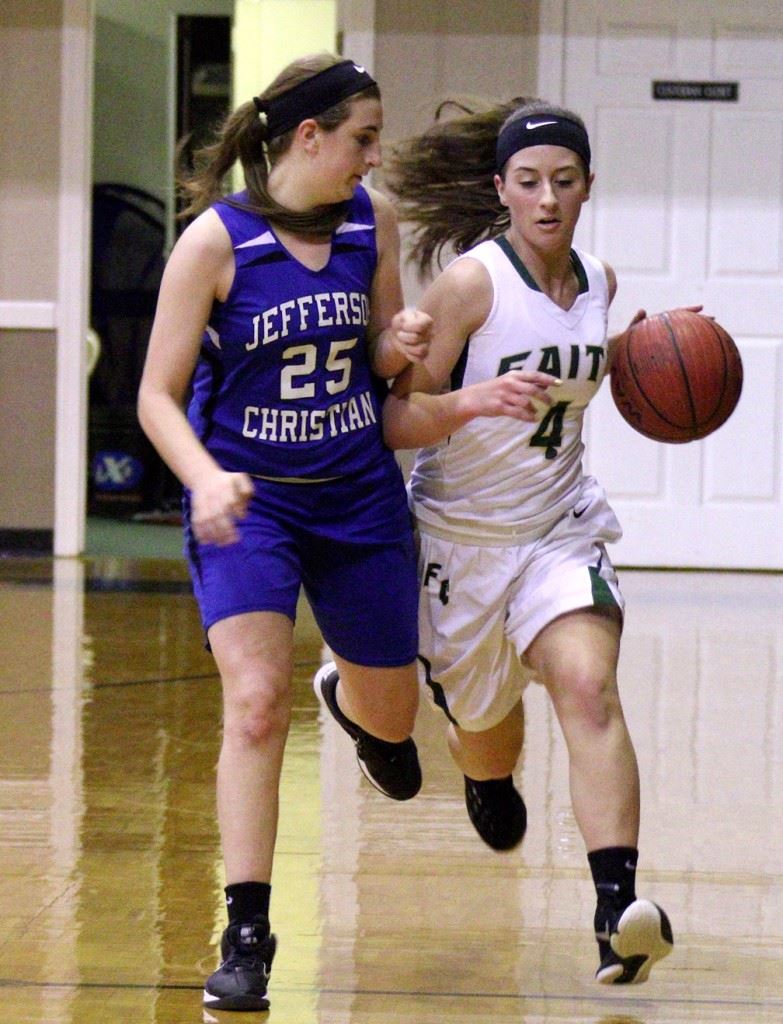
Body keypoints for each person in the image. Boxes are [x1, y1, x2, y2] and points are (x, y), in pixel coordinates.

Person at [137, 53, 431, 1013]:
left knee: (395, 718)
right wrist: (204, 477)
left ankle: (354, 702)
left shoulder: (368, 225)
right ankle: (248, 930)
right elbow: (155, 396)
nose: (373, 156)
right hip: (250, 503)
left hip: (355, 498)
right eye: (362, 137)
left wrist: (404, 341)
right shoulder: (214, 244)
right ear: (308, 136)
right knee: (256, 706)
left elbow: (379, 358)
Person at [381, 98, 674, 985]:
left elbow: (574, 360)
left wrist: (657, 351)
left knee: (587, 689)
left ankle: (612, 914)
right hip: (460, 542)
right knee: (483, 732)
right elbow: (397, 417)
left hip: (558, 528)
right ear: (500, 190)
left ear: (586, 187)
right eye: (529, 182)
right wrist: (470, 401)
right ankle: (478, 770)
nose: (547, 198)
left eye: (565, 180)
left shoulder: (601, 281)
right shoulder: (470, 286)